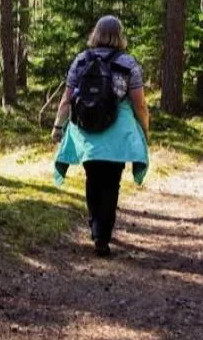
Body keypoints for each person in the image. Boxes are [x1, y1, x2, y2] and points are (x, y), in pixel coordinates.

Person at [52, 15, 151, 257]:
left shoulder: (81, 60)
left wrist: (58, 126)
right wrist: (145, 131)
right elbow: (139, 104)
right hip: (118, 136)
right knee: (111, 182)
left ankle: (97, 228)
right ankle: (102, 234)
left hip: (87, 131)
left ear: (96, 34)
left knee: (92, 179)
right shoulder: (129, 64)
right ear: (120, 35)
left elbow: (67, 98)